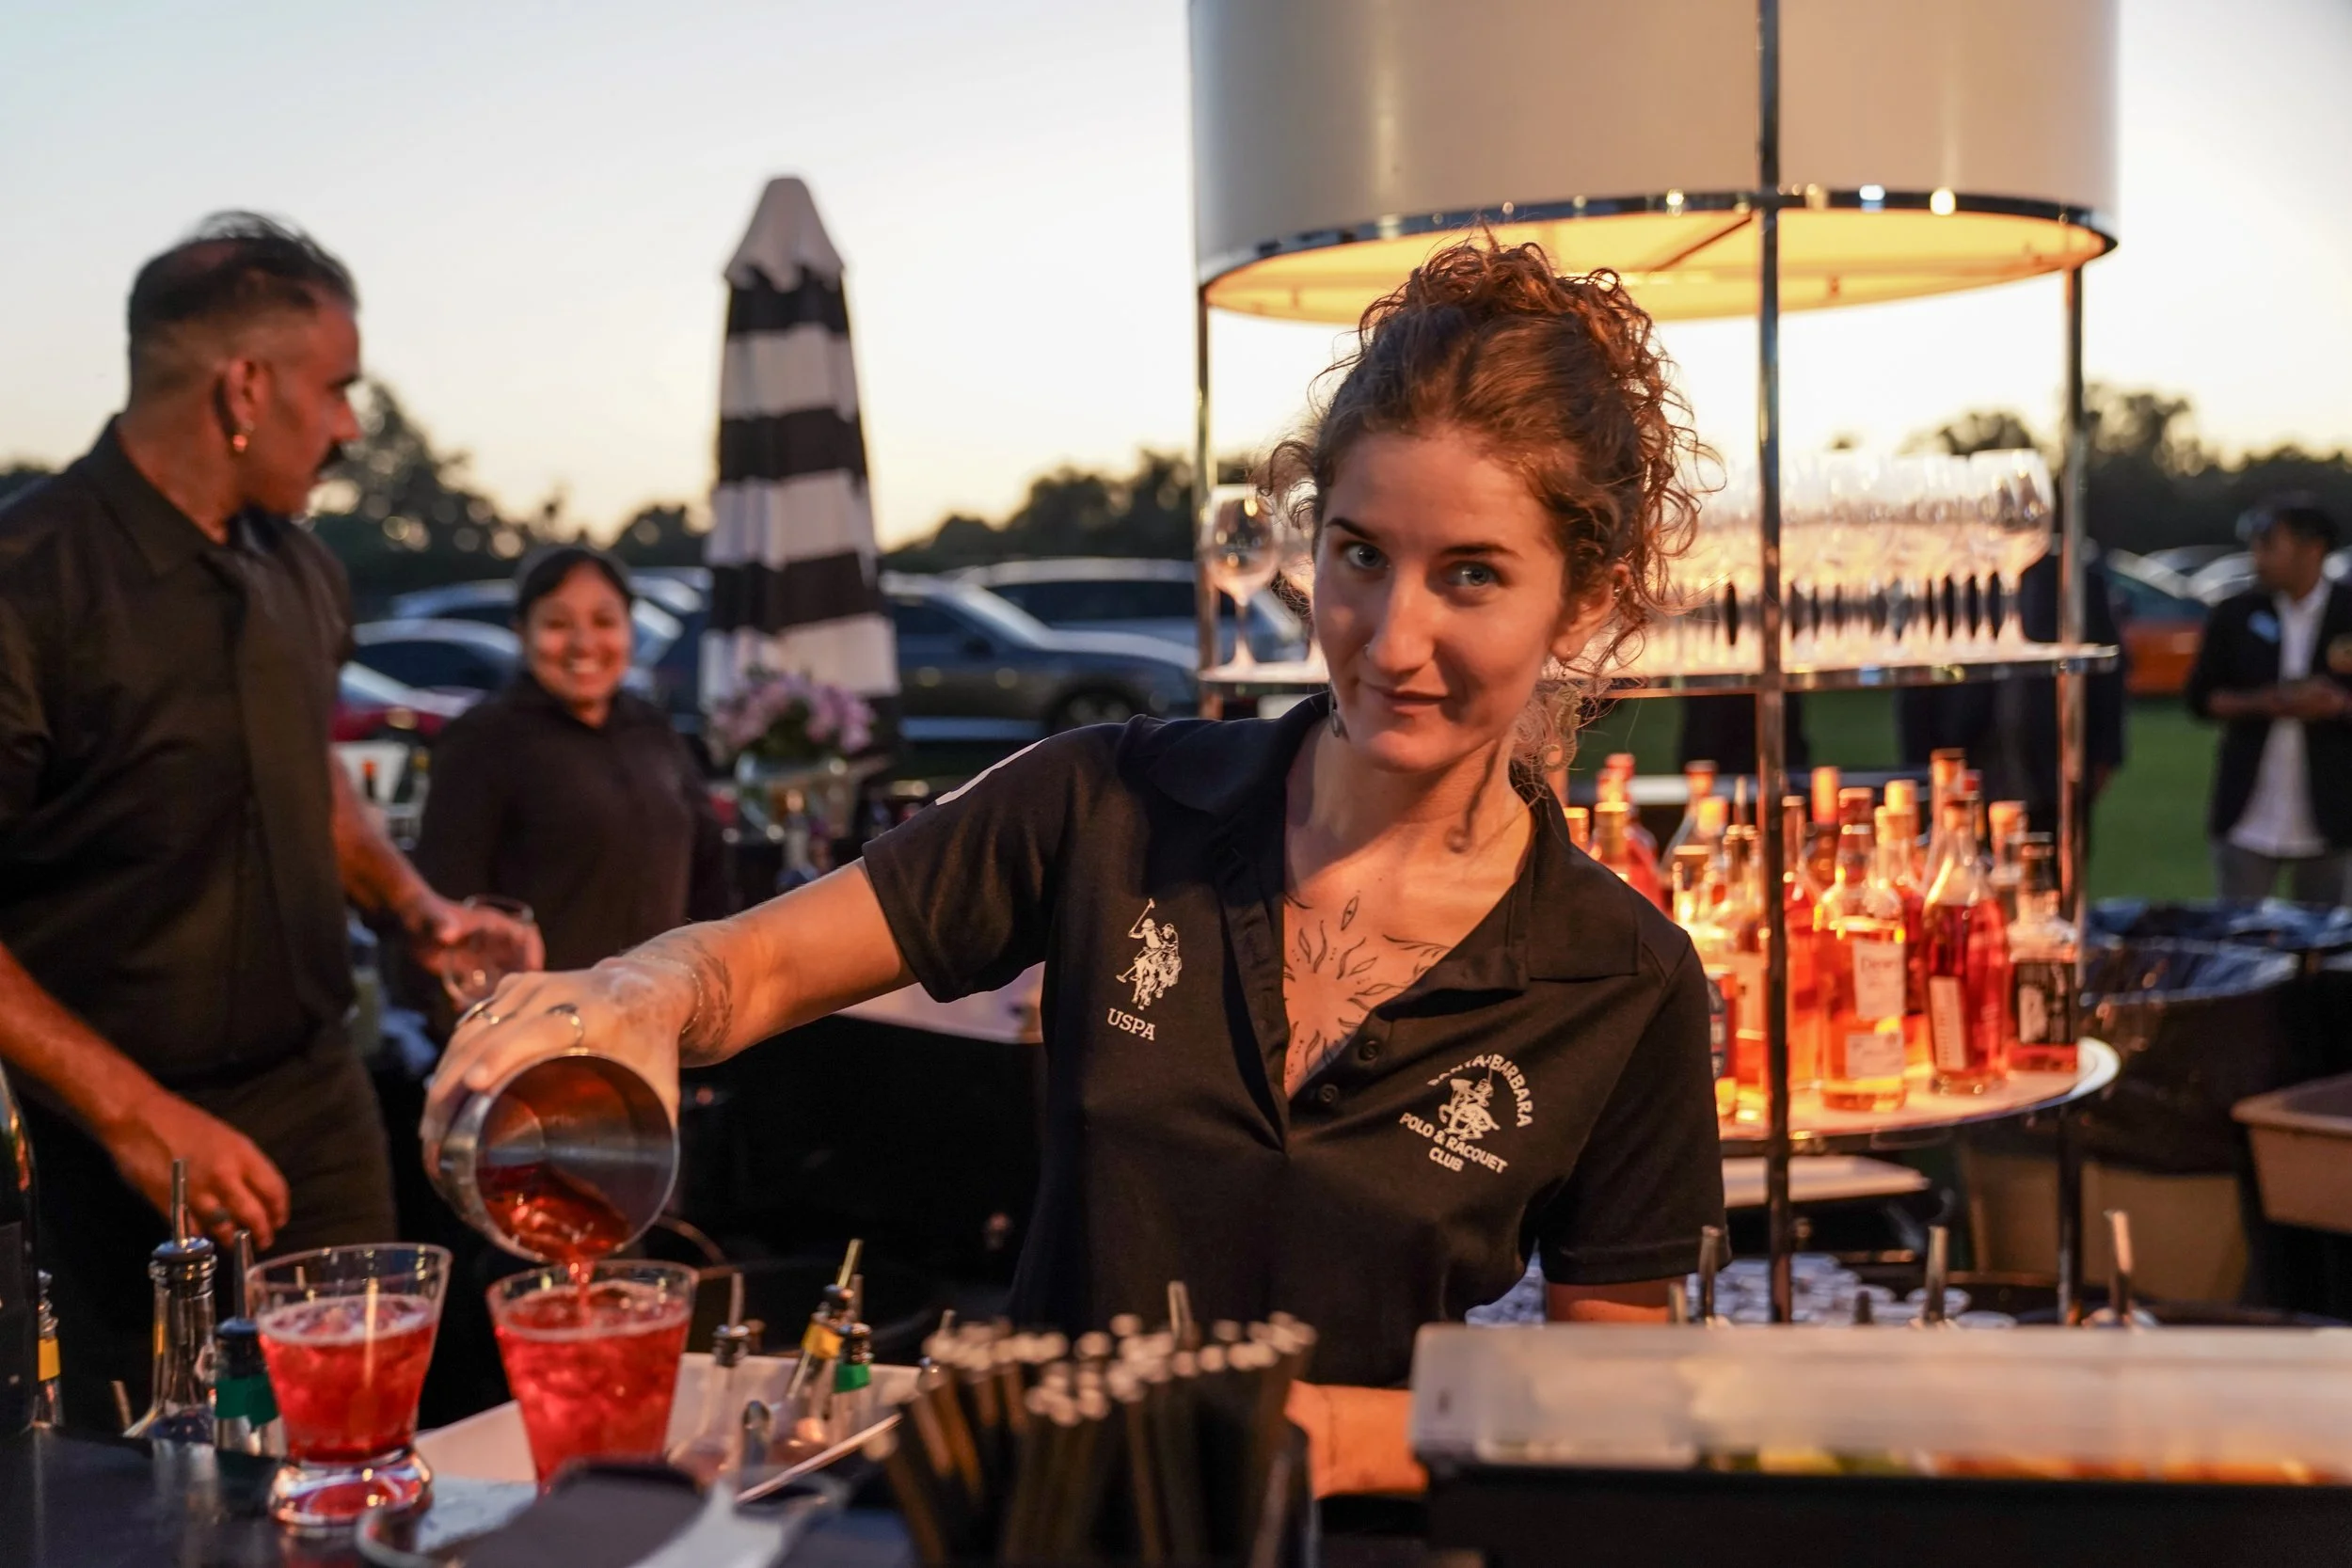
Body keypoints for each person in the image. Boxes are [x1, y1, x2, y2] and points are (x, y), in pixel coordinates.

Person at [426, 239, 1726, 1497]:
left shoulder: (1621, 976)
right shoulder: (1108, 799)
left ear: (1589, 596)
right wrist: (641, 990)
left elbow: (1615, 1389)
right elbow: (754, 962)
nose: (1392, 637)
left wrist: (1323, 1430)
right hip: (1046, 1522)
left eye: (1473, 576)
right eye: (1360, 555)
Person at [0, 213, 538, 1425]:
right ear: (243, 386)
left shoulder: (304, 566)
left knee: (355, 1436)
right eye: (337, 388)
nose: (350, 425)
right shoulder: (29, 579)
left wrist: (417, 910)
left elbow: (308, 770)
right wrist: (136, 1116)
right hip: (107, 1137)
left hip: (316, 1095)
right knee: (149, 1488)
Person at [413, 546, 732, 977]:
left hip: (662, 1016)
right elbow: (447, 907)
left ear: (630, 631)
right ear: (521, 632)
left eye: (604, 622)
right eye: (558, 624)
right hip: (545, 1025)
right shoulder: (484, 739)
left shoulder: (652, 731)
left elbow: (709, 875)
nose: (583, 643)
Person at [1895, 546, 2128, 844]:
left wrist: (2104, 755)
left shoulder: (2070, 578)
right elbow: (1917, 682)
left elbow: (2107, 675)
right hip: (1968, 760)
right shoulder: (1949, 576)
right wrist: (1919, 765)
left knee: (2048, 865)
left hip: (2051, 767)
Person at [2185, 494, 2352, 904]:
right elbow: (2201, 697)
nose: (2256, 558)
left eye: (2269, 545)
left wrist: (2338, 705)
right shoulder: (2236, 614)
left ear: (2312, 549)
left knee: (2326, 947)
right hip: (2249, 816)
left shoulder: (2348, 612)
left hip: (2331, 813)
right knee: (2240, 941)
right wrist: (2266, 703)